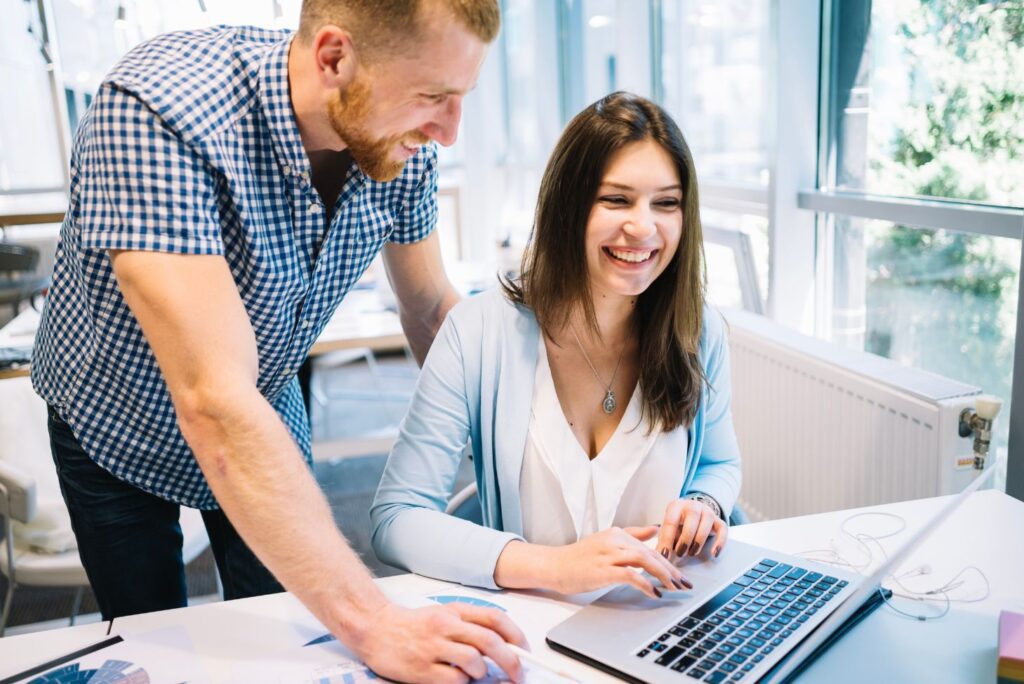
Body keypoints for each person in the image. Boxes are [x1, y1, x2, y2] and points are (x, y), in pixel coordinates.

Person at [31, 1, 527, 681]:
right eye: (433, 97)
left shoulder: (396, 139)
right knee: (152, 646)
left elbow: (431, 309)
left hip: (263, 394)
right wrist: (377, 620)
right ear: (334, 58)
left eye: (461, 97)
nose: (447, 131)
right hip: (118, 420)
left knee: (291, 634)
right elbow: (213, 399)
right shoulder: (156, 113)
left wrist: (528, 457)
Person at [371, 92, 742, 599]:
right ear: (568, 206)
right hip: (534, 631)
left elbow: (720, 465)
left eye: (666, 203)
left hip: (663, 621)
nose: (643, 227)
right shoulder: (477, 332)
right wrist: (553, 567)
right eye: (616, 199)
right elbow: (396, 518)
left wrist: (704, 503)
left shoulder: (697, 331)